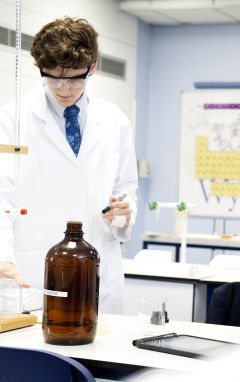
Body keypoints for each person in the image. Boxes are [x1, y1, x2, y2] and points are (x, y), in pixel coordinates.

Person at [0, 17, 138, 313]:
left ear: (93, 67)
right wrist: (3, 260)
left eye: (75, 78)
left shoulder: (115, 121)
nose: (63, 88)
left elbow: (126, 188)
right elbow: (1, 197)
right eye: (52, 77)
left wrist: (124, 213)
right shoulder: (12, 119)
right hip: (35, 273)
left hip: (99, 271)